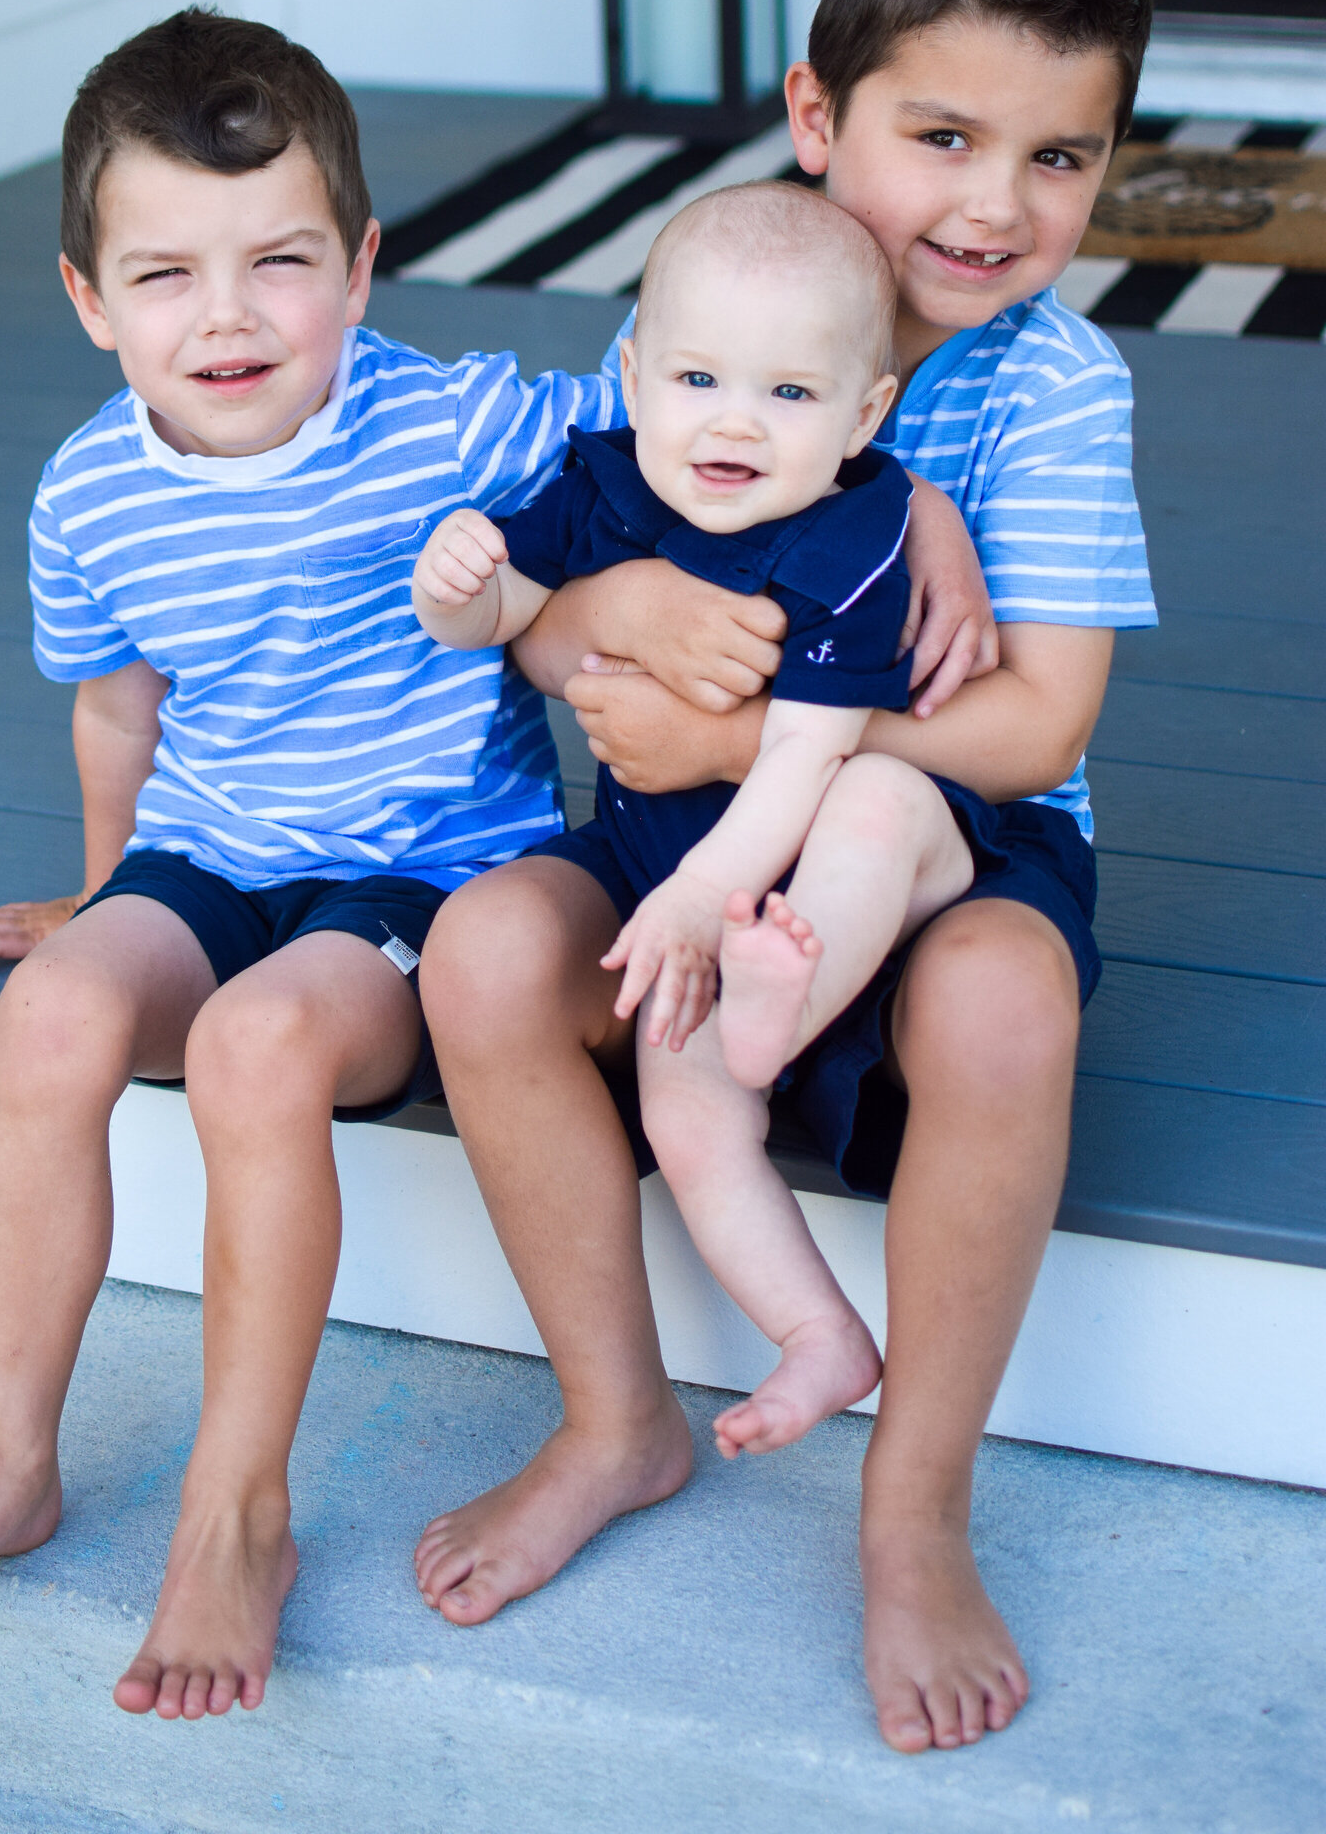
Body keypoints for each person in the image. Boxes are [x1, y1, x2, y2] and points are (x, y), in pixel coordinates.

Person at [411, 0, 1157, 1758]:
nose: (997, 205)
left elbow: (1033, 721)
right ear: (819, 118)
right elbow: (553, 617)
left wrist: (752, 749)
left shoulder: (1052, 393)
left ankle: (913, 1510)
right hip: (666, 848)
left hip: (953, 846)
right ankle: (615, 1417)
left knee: (1002, 1000)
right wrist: (592, 613)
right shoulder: (698, 306)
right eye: (943, 134)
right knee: (492, 952)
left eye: (1060, 158)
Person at [0, 6, 635, 1721]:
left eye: (281, 260)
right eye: (167, 273)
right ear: (88, 298)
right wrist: (105, 897)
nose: (230, 316)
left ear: (361, 265)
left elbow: (683, 401)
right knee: (52, 1011)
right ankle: (4, 1464)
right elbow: (121, 713)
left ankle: (235, 1509)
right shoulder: (90, 495)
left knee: (260, 1047)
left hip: (419, 880)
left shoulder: (458, 423)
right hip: (215, 854)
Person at [415, 182, 987, 1460]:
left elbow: (799, 757)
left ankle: (786, 992)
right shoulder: (604, 488)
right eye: (695, 378)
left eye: (789, 395)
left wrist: (692, 904)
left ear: (863, 413)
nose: (734, 421)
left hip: (860, 868)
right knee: (684, 1110)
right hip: (699, 898)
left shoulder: (856, 535)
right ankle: (817, 1336)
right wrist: (454, 583)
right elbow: (501, 621)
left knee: (874, 795)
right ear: (630, 372)